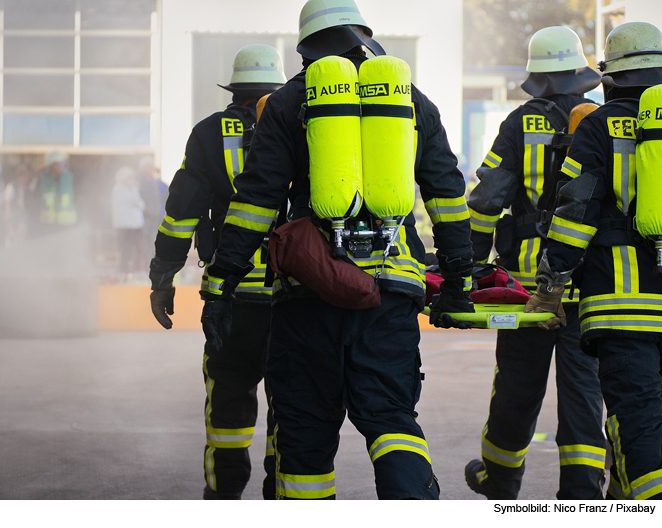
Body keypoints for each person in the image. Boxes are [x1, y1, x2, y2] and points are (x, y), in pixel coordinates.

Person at [198, 0, 474, 499]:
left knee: (303, 434)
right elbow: (448, 199)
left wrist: (221, 284)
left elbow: (255, 202)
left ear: (305, 48)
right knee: (391, 419)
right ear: (364, 36)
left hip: (309, 292)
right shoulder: (412, 101)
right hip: (389, 294)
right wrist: (459, 283)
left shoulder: (288, 102)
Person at [464, 26, 606, 500]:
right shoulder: (602, 122)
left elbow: (486, 201)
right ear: (579, 72)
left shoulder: (518, 123)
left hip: (525, 290)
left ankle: (500, 481)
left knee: (516, 391)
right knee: (584, 396)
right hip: (586, 287)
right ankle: (582, 495)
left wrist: (471, 266)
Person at [524, 21, 662, 500]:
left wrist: (550, 285)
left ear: (611, 77)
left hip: (623, 309)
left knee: (639, 421)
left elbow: (575, 213)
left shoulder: (599, 127)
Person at [148, 44, 286, 499]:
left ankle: (222, 499)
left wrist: (163, 275)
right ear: (277, 86)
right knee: (293, 407)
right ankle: (283, 497)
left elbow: (181, 214)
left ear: (235, 89)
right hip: (294, 295)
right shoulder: (302, 124)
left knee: (227, 402)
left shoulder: (208, 133)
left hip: (230, 297)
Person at [112, 166, 145, 278]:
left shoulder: (128, 189)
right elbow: (138, 203)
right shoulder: (120, 189)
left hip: (133, 225)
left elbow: (141, 204)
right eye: (130, 178)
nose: (132, 180)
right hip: (125, 225)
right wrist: (135, 189)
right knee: (126, 249)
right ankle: (123, 270)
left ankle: (130, 270)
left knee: (133, 249)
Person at [35, 151, 77, 237]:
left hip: (67, 223)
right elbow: (36, 198)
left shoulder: (69, 178)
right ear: (50, 166)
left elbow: (77, 196)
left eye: (60, 163)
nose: (59, 166)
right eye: (56, 164)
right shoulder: (43, 179)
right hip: (48, 224)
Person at [137, 156, 163, 269]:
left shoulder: (152, 180)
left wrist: (156, 211)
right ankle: (143, 266)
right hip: (144, 217)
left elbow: (156, 198)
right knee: (142, 242)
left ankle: (151, 265)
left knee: (152, 242)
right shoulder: (139, 180)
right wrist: (147, 210)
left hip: (154, 216)